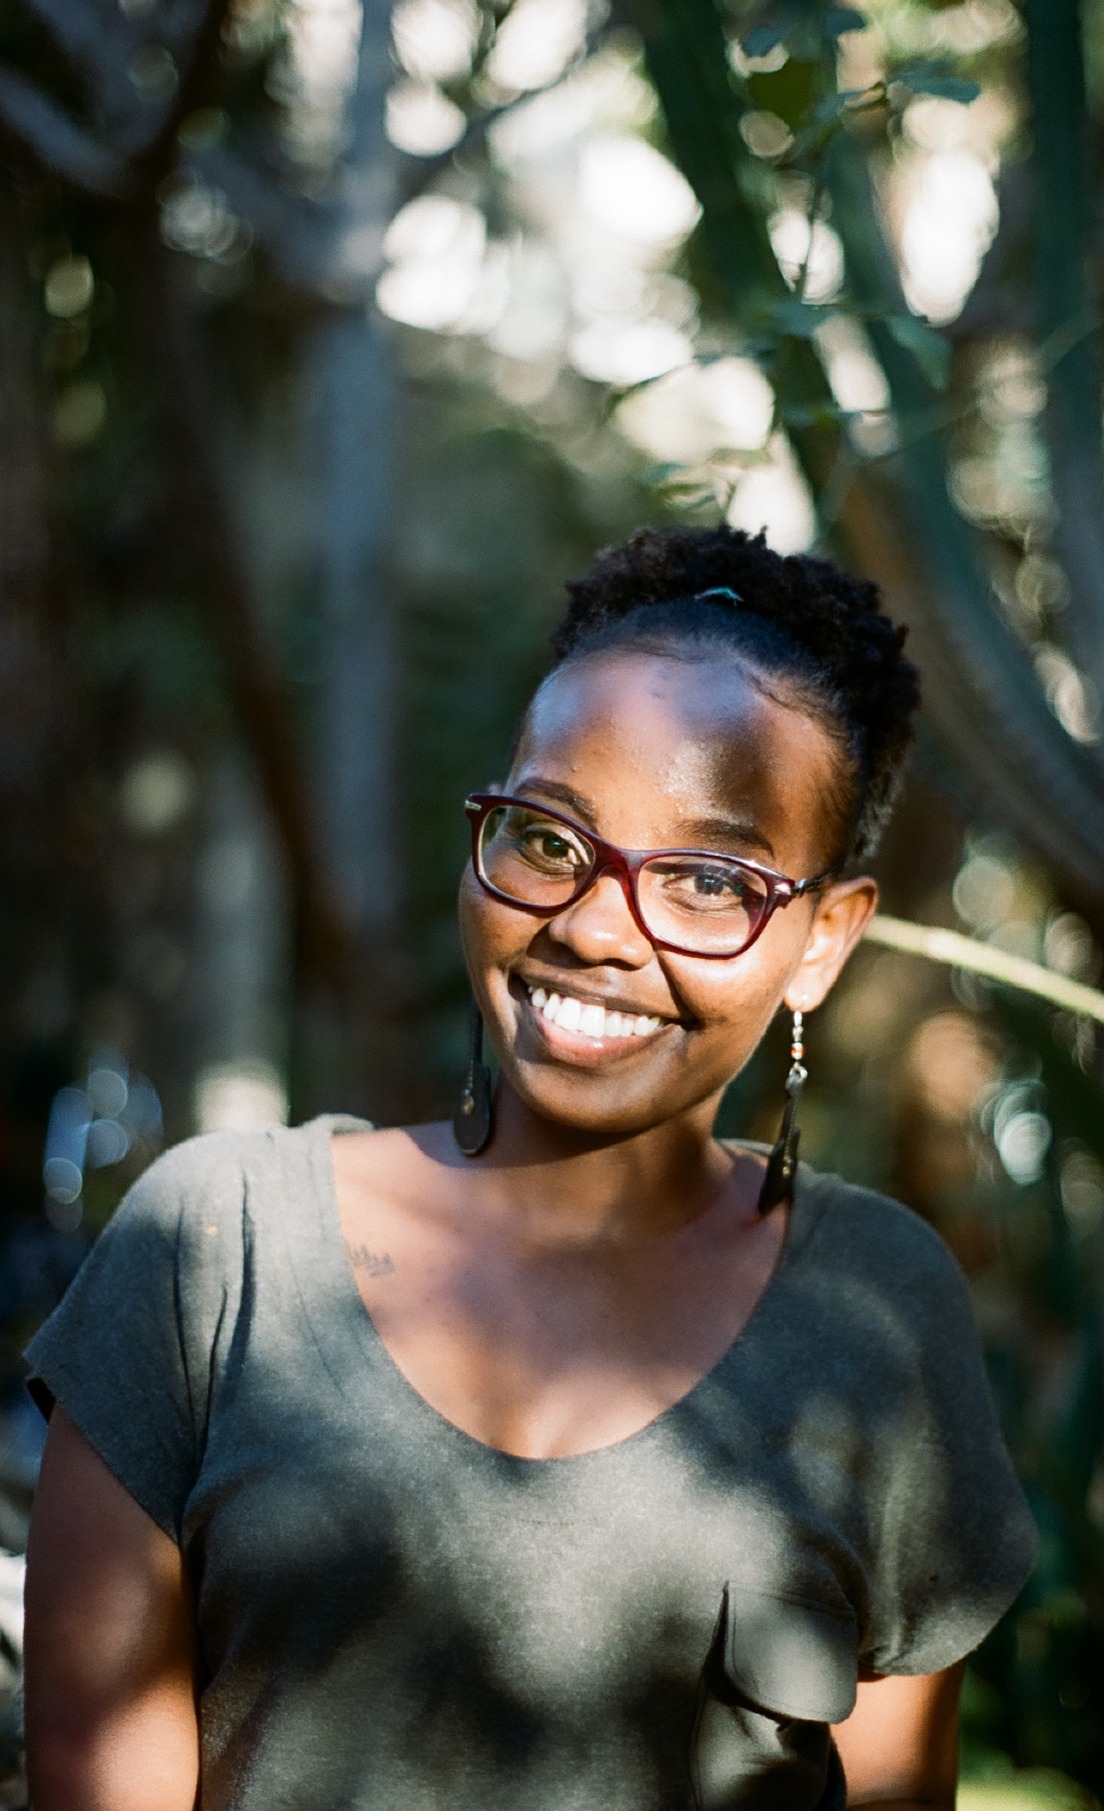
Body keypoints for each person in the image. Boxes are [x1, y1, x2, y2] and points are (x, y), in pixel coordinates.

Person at [23, 526, 1036, 1811]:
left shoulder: (881, 1310)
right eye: (551, 839)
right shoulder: (217, 1245)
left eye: (710, 879)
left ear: (824, 942)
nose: (597, 927)